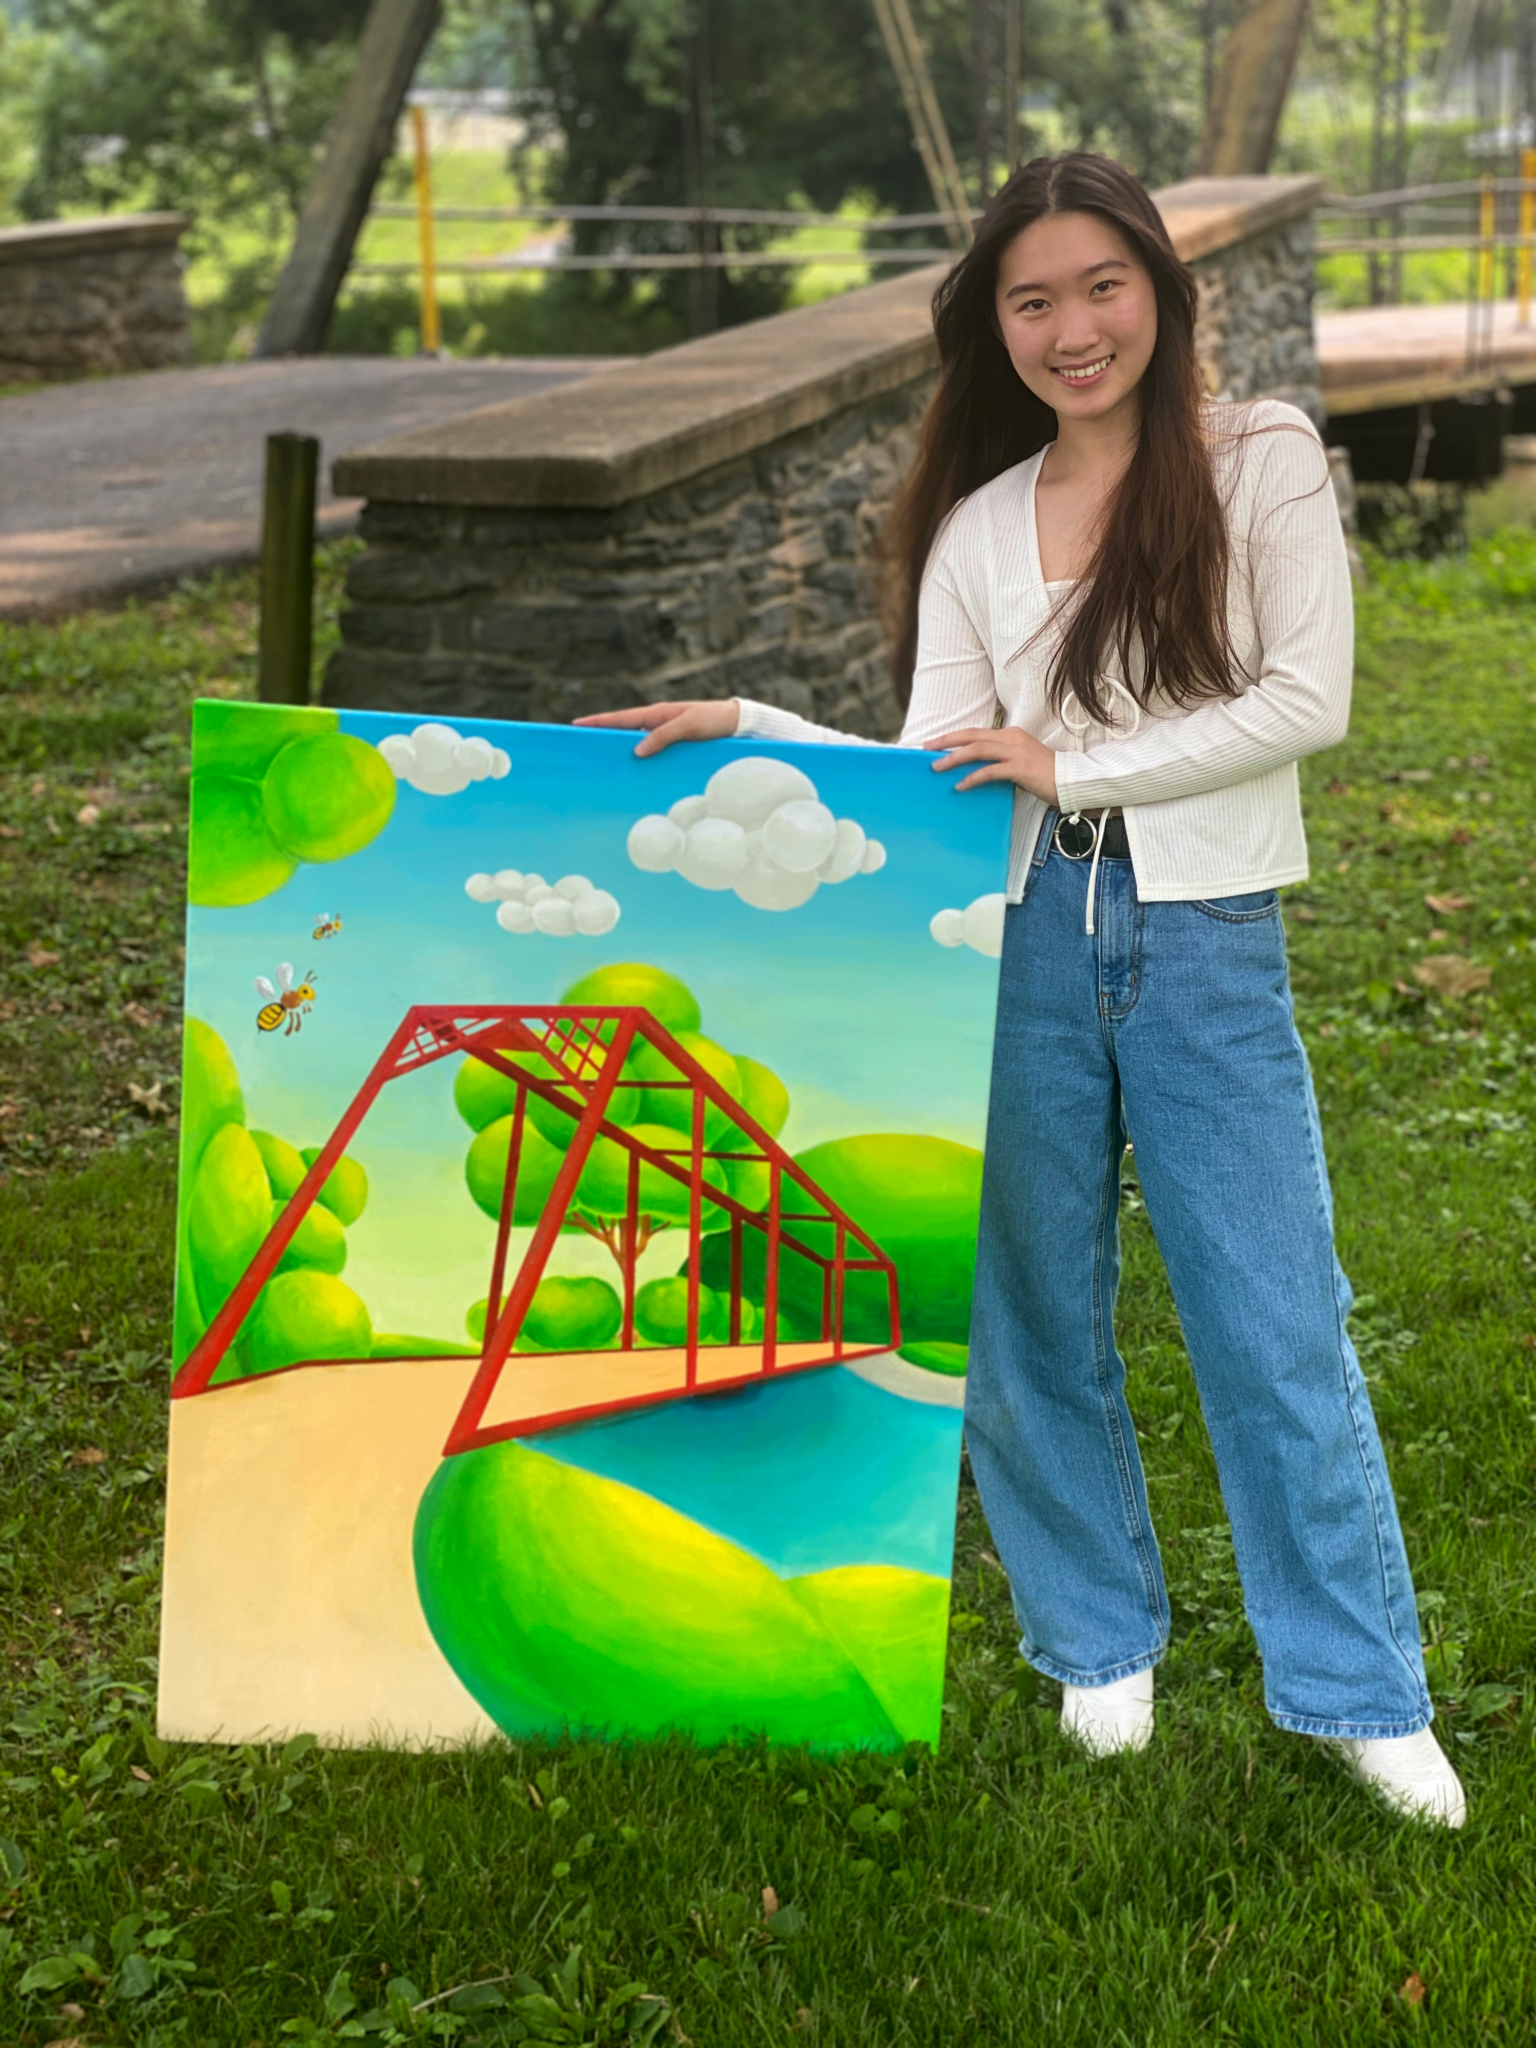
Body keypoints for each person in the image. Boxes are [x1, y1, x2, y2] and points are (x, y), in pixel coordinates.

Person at [577, 152, 1465, 1828]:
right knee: (1028, 1319)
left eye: (1102, 285)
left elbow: (1307, 699)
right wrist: (762, 729)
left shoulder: (1258, 456)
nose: (1074, 328)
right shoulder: (983, 526)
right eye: (1033, 299)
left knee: (1277, 1323)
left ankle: (1358, 1690)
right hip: (1010, 946)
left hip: (1201, 942)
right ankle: (1095, 1641)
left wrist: (1081, 764)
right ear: (994, 326)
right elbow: (939, 772)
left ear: (1161, 286)